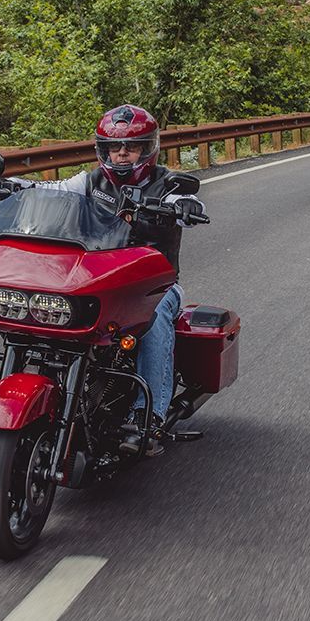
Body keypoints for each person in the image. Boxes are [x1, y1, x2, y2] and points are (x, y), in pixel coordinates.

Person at [43, 104, 199, 457]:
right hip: (98, 280)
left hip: (155, 286)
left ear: (148, 149)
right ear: (104, 150)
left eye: (132, 146)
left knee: (155, 319)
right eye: (115, 147)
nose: (123, 153)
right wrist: (13, 188)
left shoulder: (167, 184)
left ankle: (150, 415)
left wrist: (187, 208)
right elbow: (51, 188)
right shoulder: (89, 181)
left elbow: (184, 199)